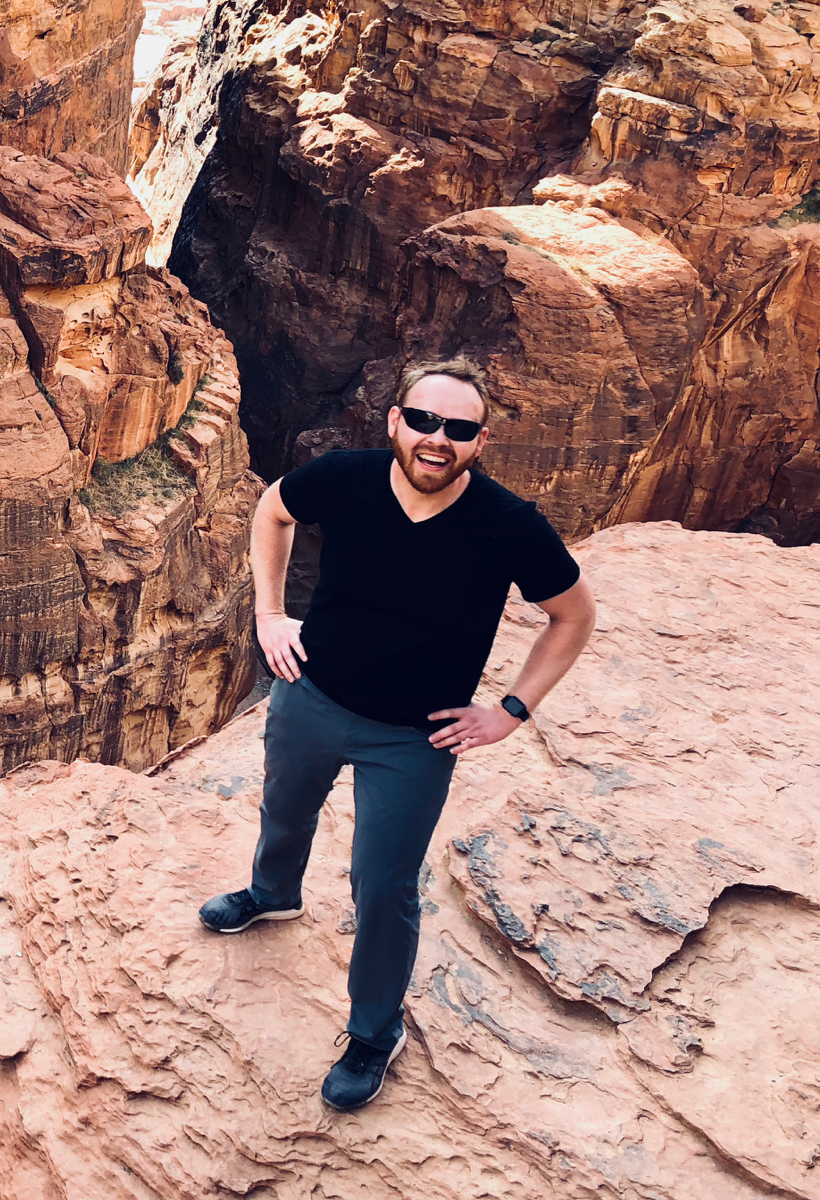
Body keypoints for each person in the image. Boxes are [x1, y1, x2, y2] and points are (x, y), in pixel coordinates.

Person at [200, 358, 596, 1110]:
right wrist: (269, 615)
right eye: (422, 421)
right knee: (284, 812)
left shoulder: (511, 526)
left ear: (480, 441)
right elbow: (272, 510)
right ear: (394, 422)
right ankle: (272, 893)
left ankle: (374, 1033)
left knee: (382, 886)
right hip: (311, 697)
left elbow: (574, 616)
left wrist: (510, 711)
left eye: (458, 429)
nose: (436, 439)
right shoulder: (346, 477)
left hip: (414, 739)